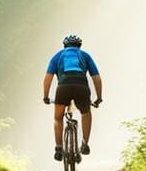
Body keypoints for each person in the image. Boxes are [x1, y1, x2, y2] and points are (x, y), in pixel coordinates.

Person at [42, 33, 103, 161]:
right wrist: (99, 97)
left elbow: (48, 77)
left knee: (58, 118)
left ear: (65, 46)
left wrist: (46, 97)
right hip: (82, 87)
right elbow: (96, 77)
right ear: (79, 46)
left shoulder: (58, 56)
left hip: (63, 88)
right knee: (86, 113)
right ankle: (85, 143)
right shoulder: (85, 56)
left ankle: (58, 148)